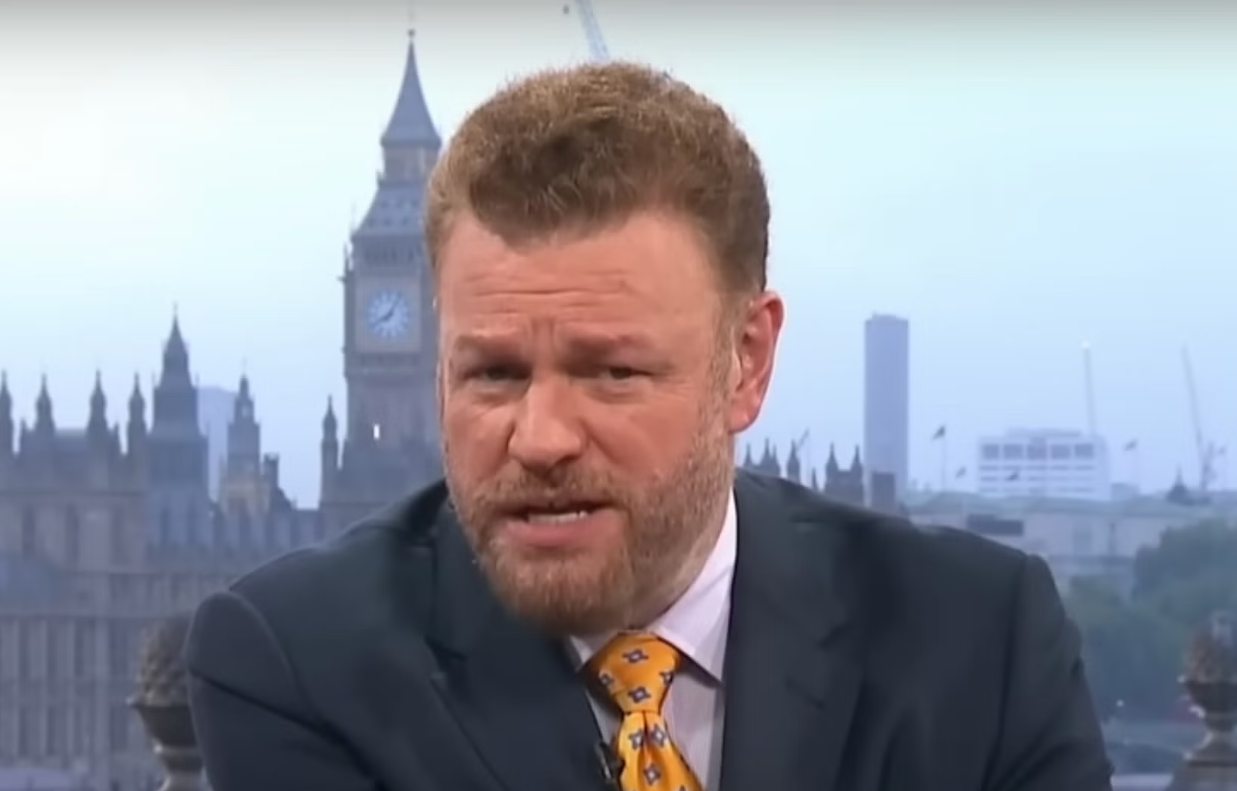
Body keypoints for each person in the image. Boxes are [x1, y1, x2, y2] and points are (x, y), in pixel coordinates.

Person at [184, 61, 1113, 791]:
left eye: (612, 372)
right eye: (494, 372)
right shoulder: (297, 662)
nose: (540, 436)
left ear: (745, 362)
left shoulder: (977, 640)